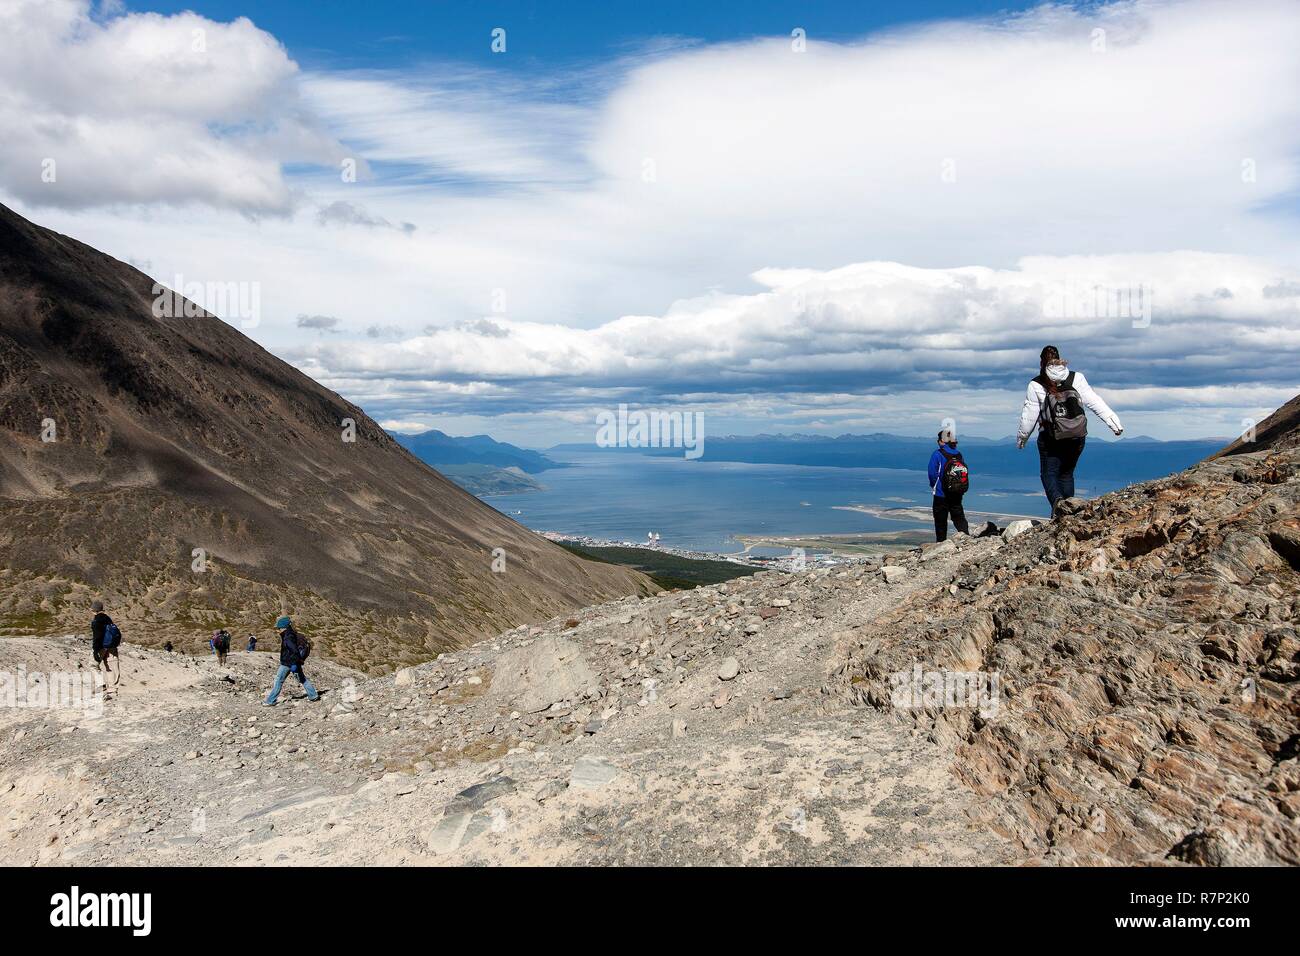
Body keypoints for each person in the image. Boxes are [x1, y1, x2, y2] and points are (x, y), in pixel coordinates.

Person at [1017, 345, 1123, 515]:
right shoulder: (1076, 378)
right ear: (1060, 359)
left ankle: (1059, 505)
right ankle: (1071, 511)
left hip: (1050, 437)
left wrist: (1022, 438)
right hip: (1076, 436)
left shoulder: (1036, 383)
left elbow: (1030, 414)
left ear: (1041, 362)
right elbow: (1095, 401)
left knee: (1048, 473)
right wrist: (1114, 423)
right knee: (1066, 474)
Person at [264, 616, 319, 706]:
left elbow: (294, 650)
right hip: (294, 662)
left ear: (283, 627)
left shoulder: (288, 637)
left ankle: (270, 701)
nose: (278, 630)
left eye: (279, 628)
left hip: (288, 663)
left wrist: (293, 663)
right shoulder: (291, 634)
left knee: (279, 681)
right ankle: (313, 695)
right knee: (302, 679)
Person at [928, 429, 969, 542]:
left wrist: (934, 486)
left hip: (941, 494)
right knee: (959, 517)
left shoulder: (938, 454)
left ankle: (941, 544)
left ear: (942, 441)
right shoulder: (958, 455)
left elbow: (932, 473)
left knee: (940, 520)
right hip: (957, 492)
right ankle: (967, 539)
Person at [89, 600, 120, 687]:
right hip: (112, 646)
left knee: (92, 665)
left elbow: (97, 637)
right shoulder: (107, 618)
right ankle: (113, 690)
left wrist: (95, 650)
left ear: (94, 610)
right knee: (112, 667)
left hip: (102, 647)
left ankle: (101, 684)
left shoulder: (96, 621)